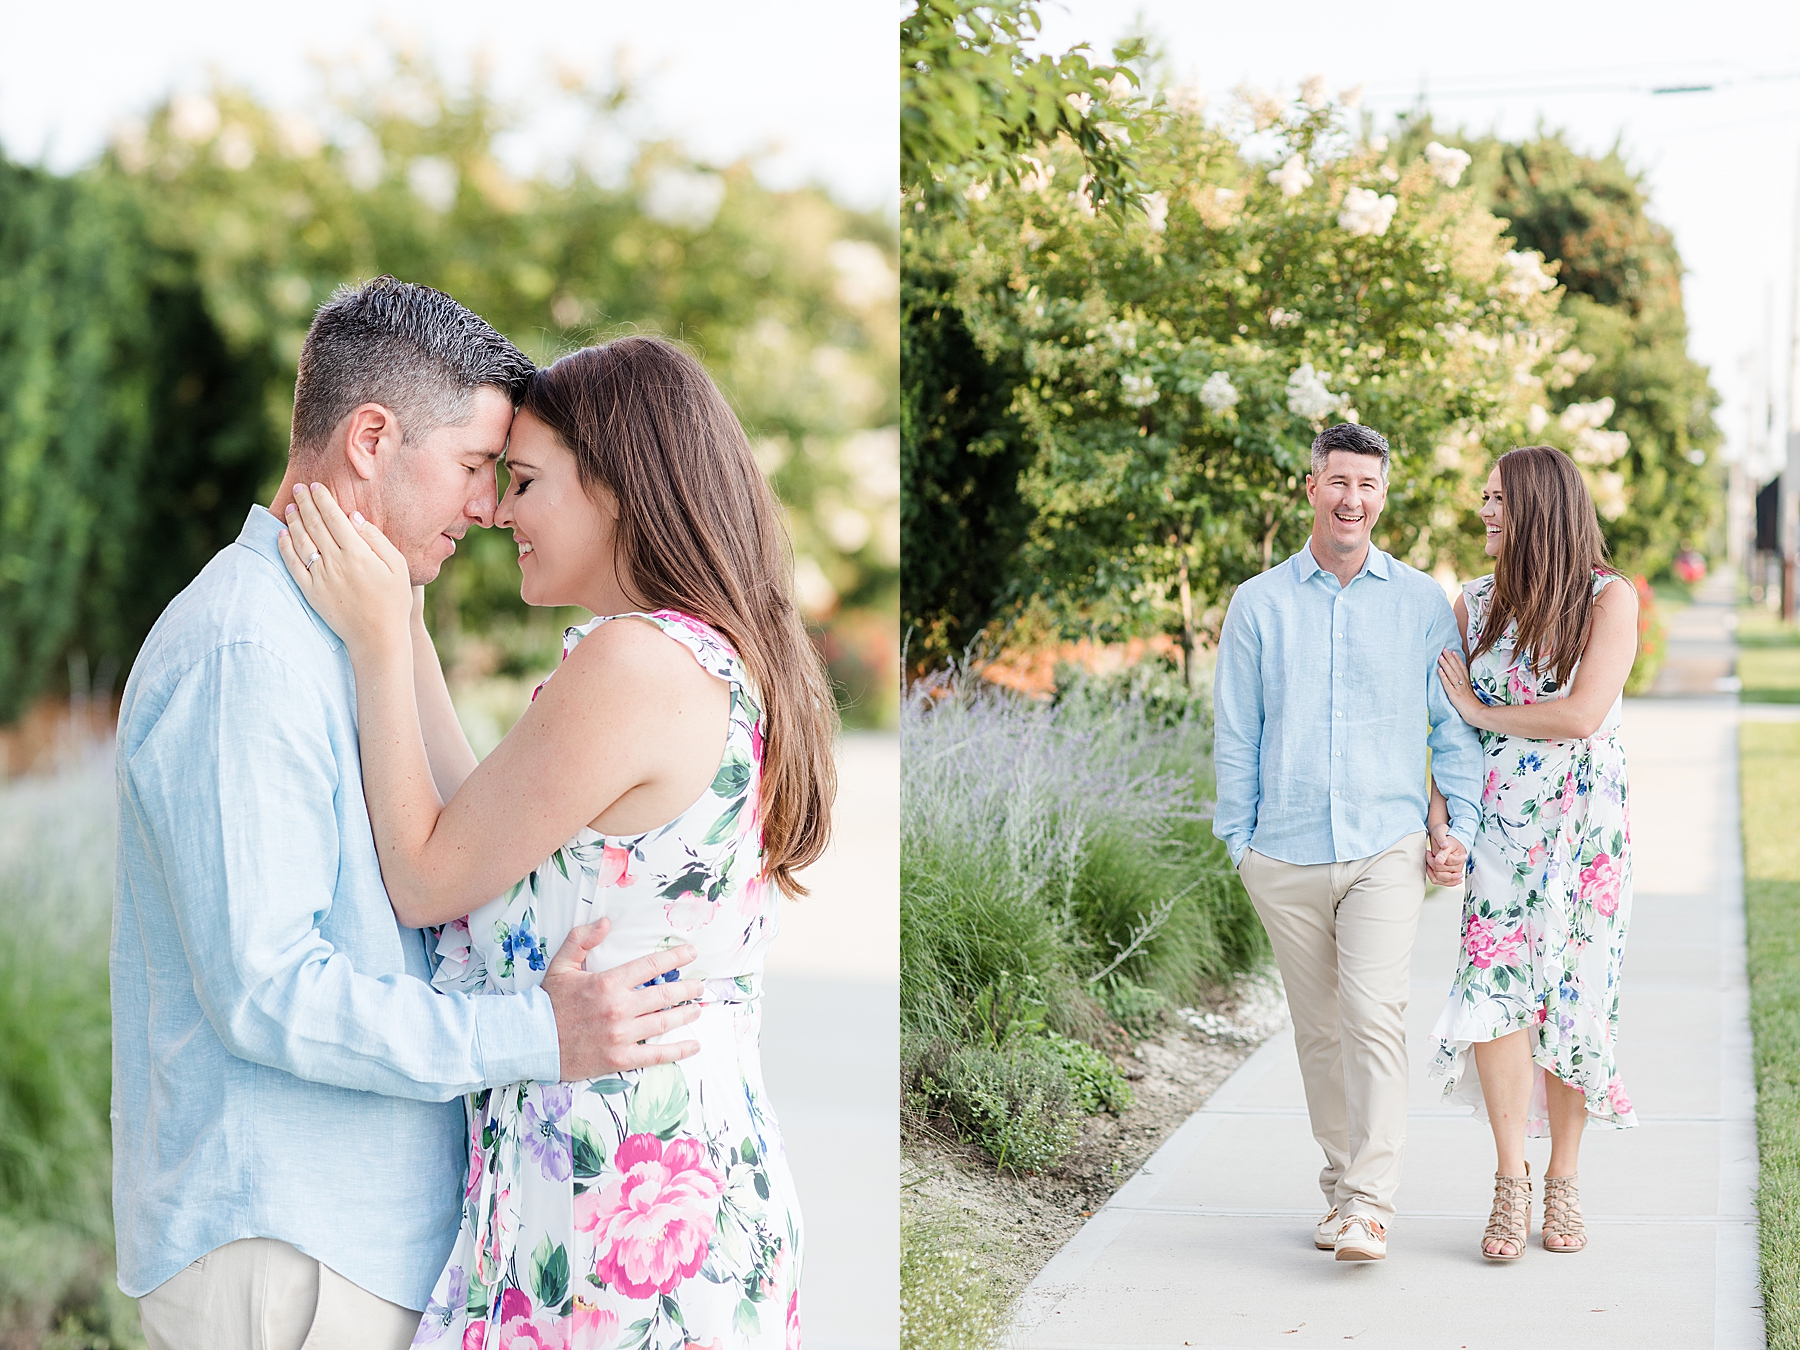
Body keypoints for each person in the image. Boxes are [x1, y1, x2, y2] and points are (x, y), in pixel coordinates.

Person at [112, 278, 707, 1350]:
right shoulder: (248, 649)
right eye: (478, 467)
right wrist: (537, 1033)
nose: (489, 508)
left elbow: (454, 863)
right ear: (372, 438)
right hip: (288, 1249)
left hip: (357, 1243)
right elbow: (269, 990)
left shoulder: (341, 636)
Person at [277, 333, 836, 1346]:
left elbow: (424, 875)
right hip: (642, 1171)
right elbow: (477, 822)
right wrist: (398, 612)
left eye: (523, 480)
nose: (493, 510)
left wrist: (373, 646)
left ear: (617, 488)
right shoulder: (695, 656)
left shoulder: (635, 665)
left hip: (617, 1195)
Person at [1213, 421, 1483, 1262]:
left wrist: (1458, 829)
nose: (1352, 500)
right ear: (1311, 488)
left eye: (1367, 486)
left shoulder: (1421, 607)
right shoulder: (1259, 604)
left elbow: (1454, 731)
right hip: (1283, 854)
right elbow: (1236, 732)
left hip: (1383, 850)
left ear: (1383, 494)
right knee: (1319, 1032)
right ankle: (1342, 1187)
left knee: (1373, 1017)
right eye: (1338, 483)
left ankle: (1369, 1205)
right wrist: (1240, 845)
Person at [1427, 444, 1640, 1261]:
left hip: (1587, 836)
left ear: (1539, 509)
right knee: (1495, 994)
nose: (1484, 512)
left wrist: (1483, 713)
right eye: (1483, 498)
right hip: (1501, 834)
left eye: (1497, 500)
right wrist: (1444, 823)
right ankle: (1510, 1181)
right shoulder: (1470, 604)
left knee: (1574, 997)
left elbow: (1583, 713)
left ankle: (1565, 1182)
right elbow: (1451, 733)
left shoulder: (1606, 599)